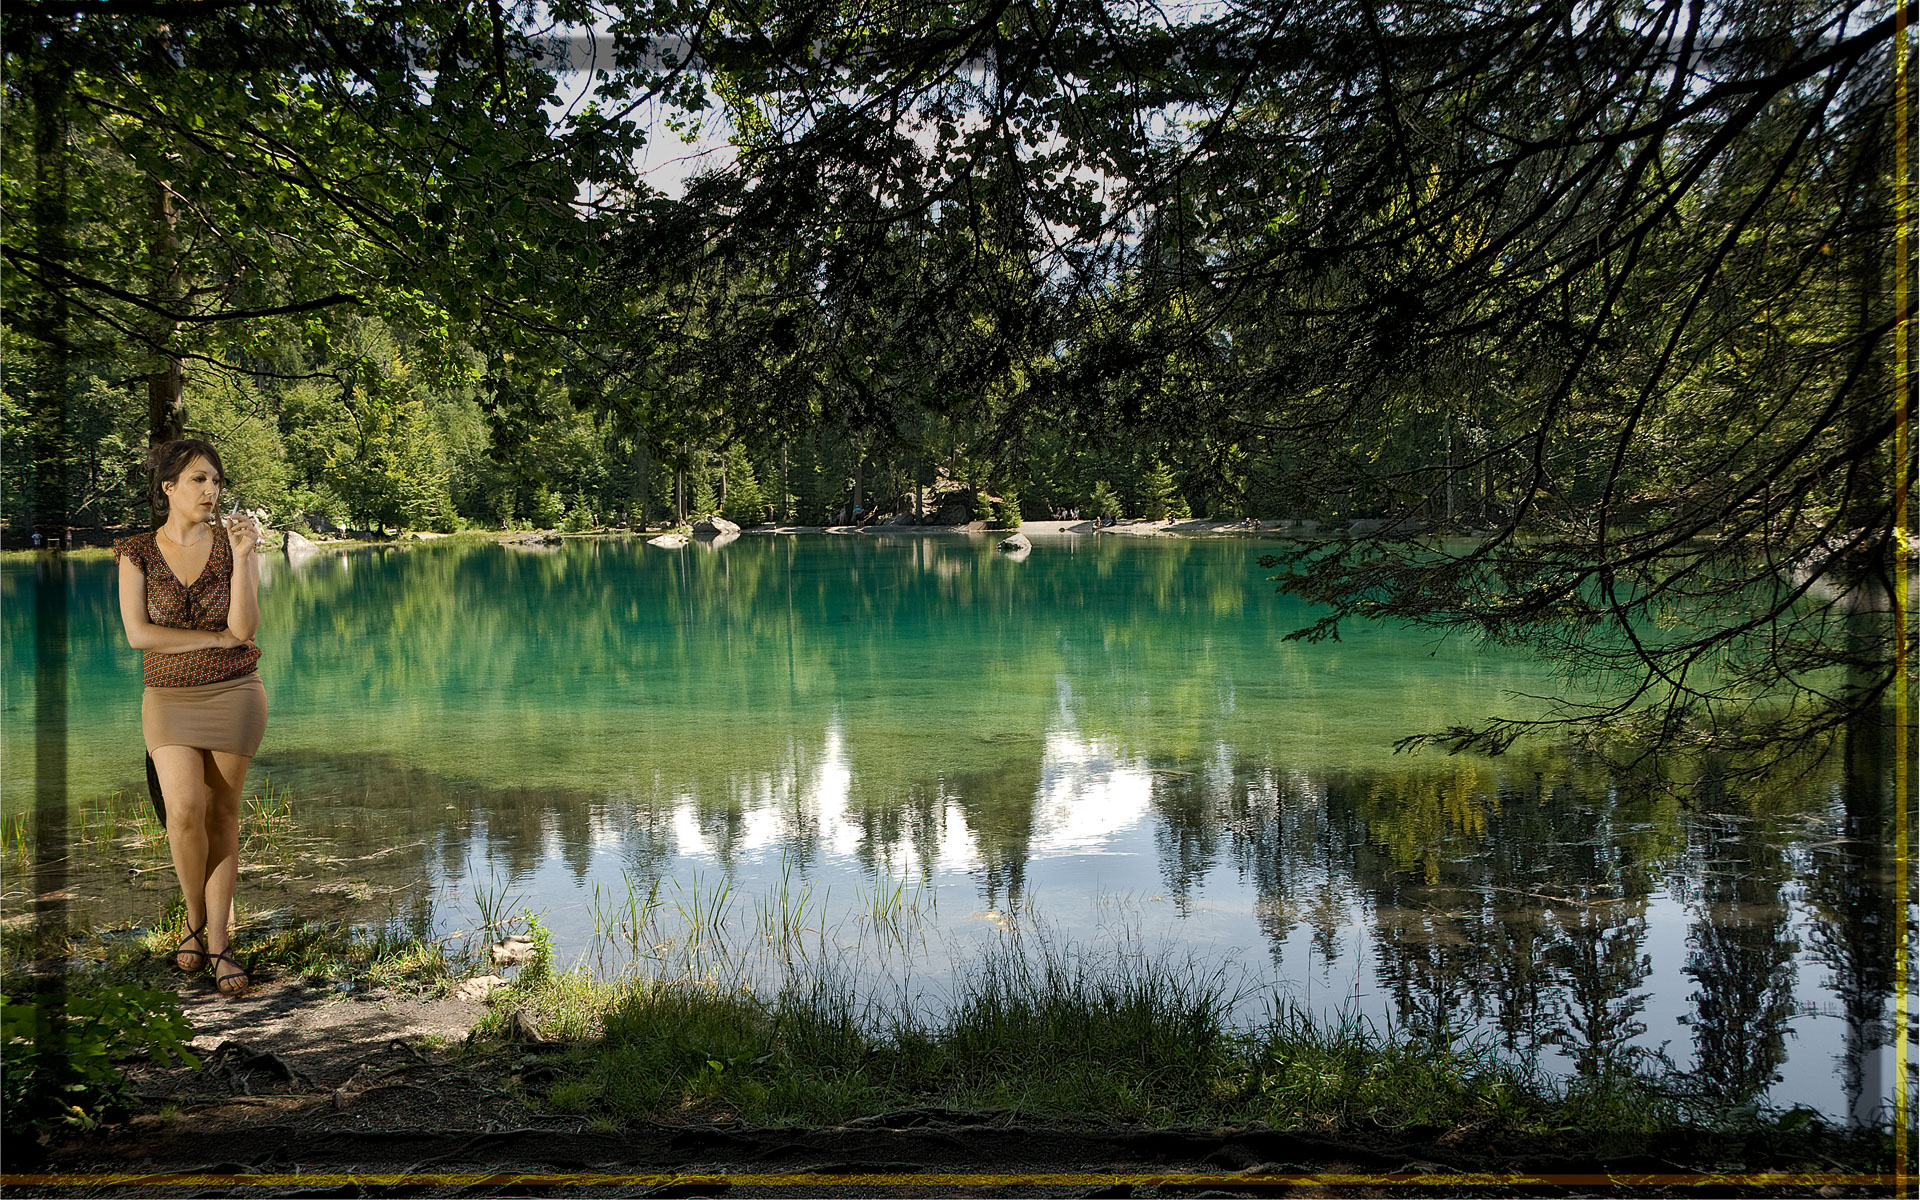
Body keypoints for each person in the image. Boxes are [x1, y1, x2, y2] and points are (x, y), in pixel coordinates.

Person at [114, 440, 266, 997]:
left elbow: (244, 629)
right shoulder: (135, 552)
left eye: (217, 482)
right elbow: (138, 634)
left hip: (235, 693)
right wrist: (211, 639)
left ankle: (218, 941)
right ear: (169, 488)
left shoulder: (232, 544)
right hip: (169, 699)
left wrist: (247, 558)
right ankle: (194, 921)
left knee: (222, 816)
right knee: (182, 811)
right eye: (199, 480)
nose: (210, 491)